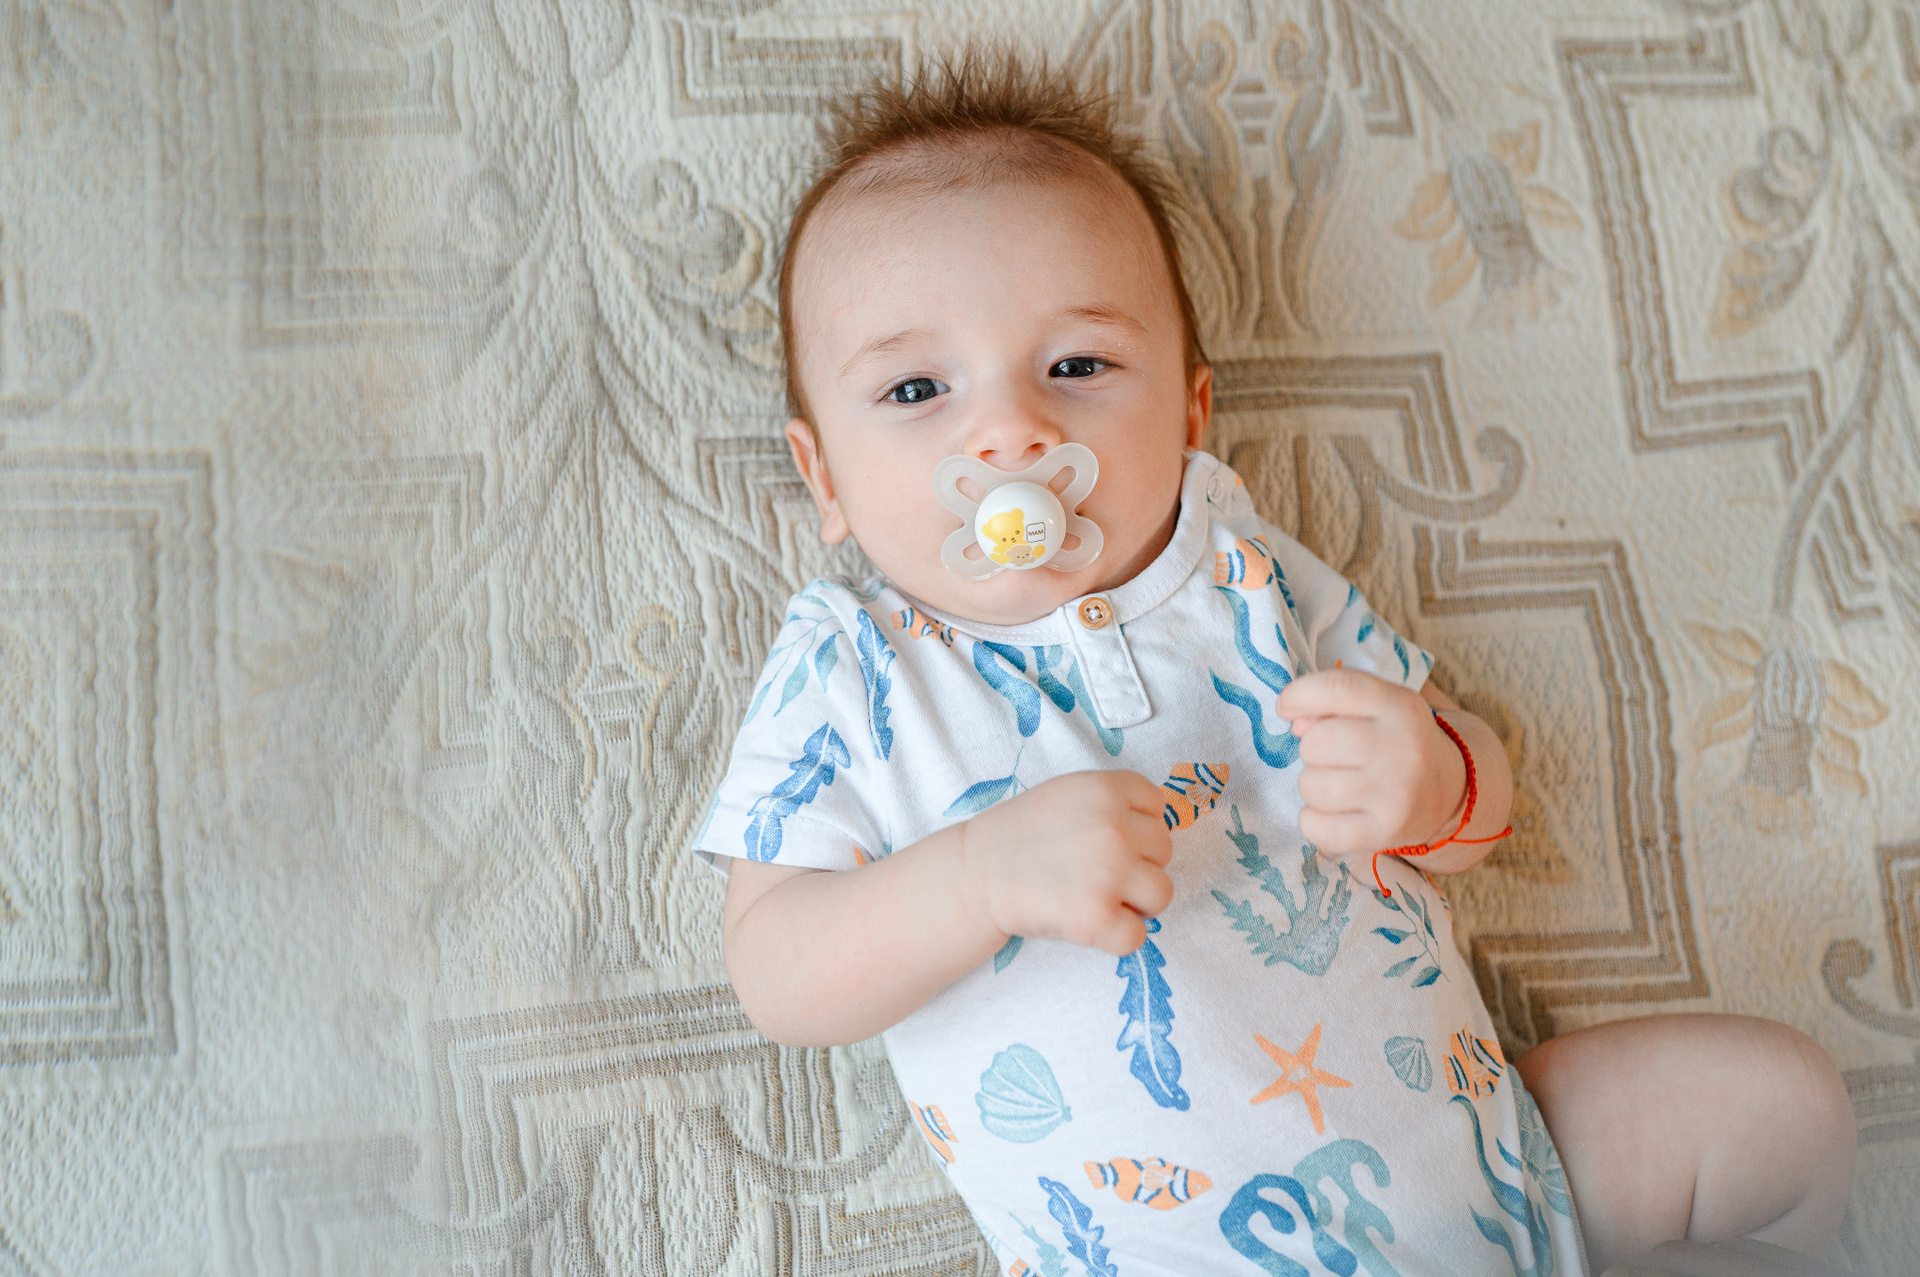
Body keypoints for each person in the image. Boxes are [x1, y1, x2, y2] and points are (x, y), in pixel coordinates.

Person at [696, 51, 1856, 1276]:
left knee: (1777, 1108)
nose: (1011, 431)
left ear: (1192, 415)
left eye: (1078, 366)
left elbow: (1472, 802)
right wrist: (976, 878)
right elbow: (776, 967)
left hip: (1507, 1180)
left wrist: (1438, 780)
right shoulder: (853, 671)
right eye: (917, 387)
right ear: (824, 478)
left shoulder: (1247, 572)